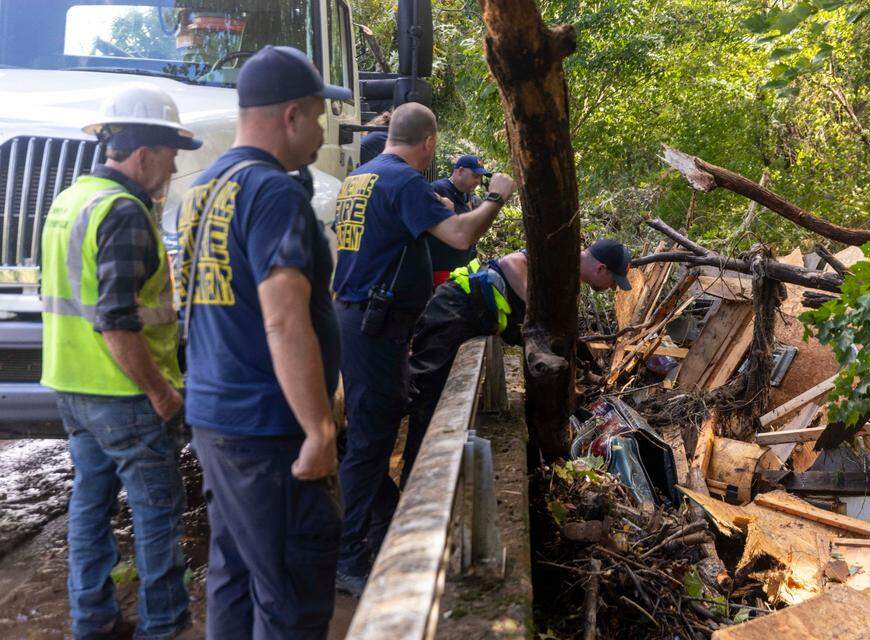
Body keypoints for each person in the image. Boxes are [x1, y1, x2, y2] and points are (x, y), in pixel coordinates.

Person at [176, 46, 346, 638]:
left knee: (236, 576)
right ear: (292, 115)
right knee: (292, 596)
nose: (323, 131)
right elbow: (283, 319)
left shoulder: (203, 189)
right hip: (269, 430)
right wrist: (320, 429)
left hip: (217, 417)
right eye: (320, 117)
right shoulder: (274, 194)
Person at [331, 102, 516, 596]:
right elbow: (457, 234)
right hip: (375, 326)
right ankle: (350, 559)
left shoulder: (361, 176)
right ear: (430, 143)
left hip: (357, 318)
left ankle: (383, 516)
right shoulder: (403, 182)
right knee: (371, 439)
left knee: (379, 422)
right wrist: (495, 199)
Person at [40, 83, 200, 639]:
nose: (173, 170)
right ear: (144, 155)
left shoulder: (71, 198)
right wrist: (161, 391)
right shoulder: (125, 212)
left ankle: (94, 621)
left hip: (71, 384)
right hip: (125, 393)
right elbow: (115, 318)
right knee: (157, 512)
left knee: (89, 505)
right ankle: (163, 626)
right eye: (172, 157)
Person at [404, 240, 632, 472]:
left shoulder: (569, 274)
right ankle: (410, 477)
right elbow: (510, 263)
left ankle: (420, 469)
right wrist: (538, 315)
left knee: (437, 395)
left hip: (470, 317)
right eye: (614, 281)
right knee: (426, 393)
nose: (613, 287)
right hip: (453, 307)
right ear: (601, 268)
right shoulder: (561, 255)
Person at [427, 155, 491, 286]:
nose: (478, 181)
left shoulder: (467, 195)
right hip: (441, 268)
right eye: (475, 176)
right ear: (460, 171)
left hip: (463, 267)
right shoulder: (438, 189)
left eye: (480, 177)